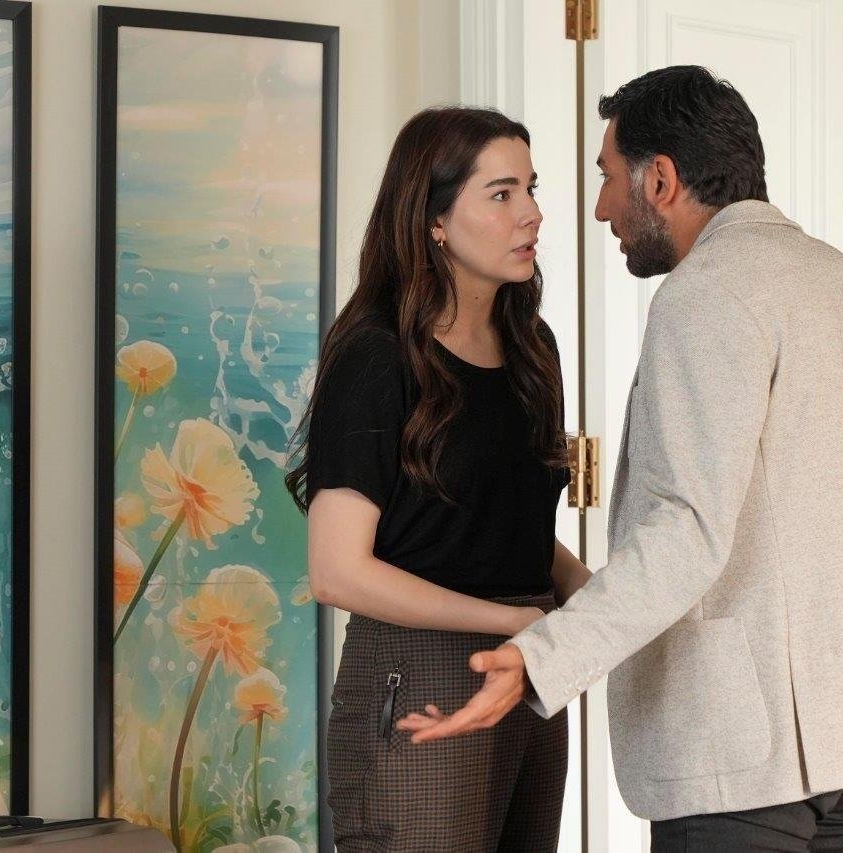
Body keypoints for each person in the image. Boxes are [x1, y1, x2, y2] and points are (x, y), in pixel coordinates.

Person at [399, 65, 843, 851]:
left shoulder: (709, 292)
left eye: (607, 178)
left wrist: (542, 656)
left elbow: (688, 531)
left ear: (659, 179)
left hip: (748, 757)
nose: (600, 209)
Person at [286, 106, 590, 852]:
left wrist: (605, 603)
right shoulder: (376, 354)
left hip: (531, 669)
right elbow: (336, 570)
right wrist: (513, 623)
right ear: (435, 221)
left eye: (531, 189)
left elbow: (504, 530)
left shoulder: (533, 349)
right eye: (502, 194)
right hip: (419, 671)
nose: (532, 213)